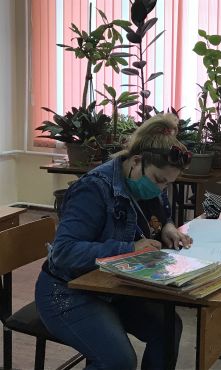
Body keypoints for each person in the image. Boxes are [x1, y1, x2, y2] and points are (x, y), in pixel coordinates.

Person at [35, 113, 193, 370]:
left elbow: (159, 206)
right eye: (159, 181)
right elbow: (64, 252)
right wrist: (128, 249)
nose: (161, 189)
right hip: (67, 291)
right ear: (136, 161)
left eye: (168, 184)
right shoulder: (94, 188)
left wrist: (168, 225)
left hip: (112, 287)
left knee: (168, 328)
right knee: (118, 360)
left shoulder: (143, 179)